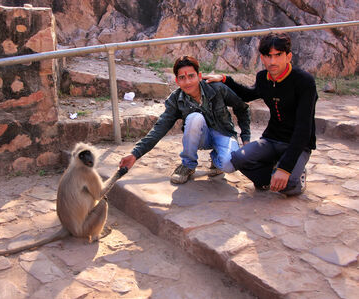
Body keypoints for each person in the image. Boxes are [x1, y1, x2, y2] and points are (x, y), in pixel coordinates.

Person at [205, 32, 318, 195]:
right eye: (268, 56)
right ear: (262, 58)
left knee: (289, 186)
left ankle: (294, 175)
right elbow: (248, 94)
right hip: (271, 139)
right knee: (238, 159)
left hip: (298, 144)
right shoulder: (263, 78)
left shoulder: (304, 82)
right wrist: (224, 79)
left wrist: (285, 169)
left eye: (278, 55)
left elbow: (303, 129)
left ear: (288, 56)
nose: (272, 61)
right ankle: (275, 173)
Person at [119, 55, 250, 184]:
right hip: (201, 137)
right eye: (182, 78)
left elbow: (242, 108)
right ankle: (188, 165)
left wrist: (246, 139)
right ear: (177, 81)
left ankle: (216, 158)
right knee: (194, 118)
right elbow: (159, 128)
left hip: (223, 133)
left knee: (230, 165)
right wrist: (135, 154)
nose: (187, 82)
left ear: (199, 76)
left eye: (191, 76)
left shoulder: (217, 88)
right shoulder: (176, 100)